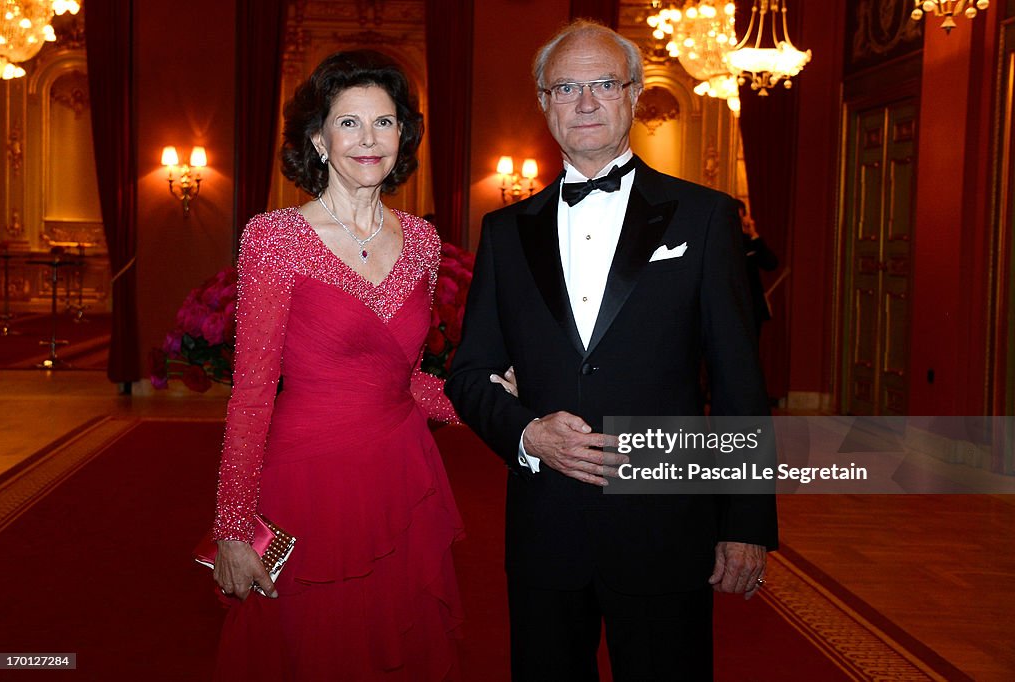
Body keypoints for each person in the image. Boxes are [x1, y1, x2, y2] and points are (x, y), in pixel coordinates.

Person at [445, 21, 778, 681]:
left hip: (664, 523)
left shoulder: (704, 218)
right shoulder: (505, 232)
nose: (587, 102)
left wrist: (746, 521)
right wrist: (528, 434)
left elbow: (740, 380)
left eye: (603, 84)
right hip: (545, 529)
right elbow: (469, 373)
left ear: (633, 97)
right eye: (567, 87)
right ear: (545, 104)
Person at [211, 51, 465, 681]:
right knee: (314, 646)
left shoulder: (423, 241)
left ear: (403, 135)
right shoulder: (274, 238)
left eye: (384, 122)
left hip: (402, 477)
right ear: (318, 138)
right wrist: (234, 526)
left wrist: (487, 401)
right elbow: (250, 392)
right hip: (308, 481)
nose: (369, 139)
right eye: (348, 123)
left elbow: (401, 379)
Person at [736, 199, 779, 338]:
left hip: (752, 308)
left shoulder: (751, 242)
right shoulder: (719, 242)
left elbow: (771, 264)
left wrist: (754, 235)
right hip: (730, 306)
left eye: (741, 218)